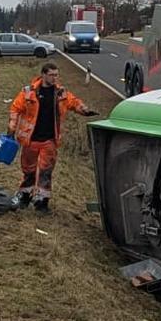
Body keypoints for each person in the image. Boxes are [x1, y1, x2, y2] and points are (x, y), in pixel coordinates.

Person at [7, 62, 99, 213]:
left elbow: (73, 102)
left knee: (46, 171)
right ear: (43, 75)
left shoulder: (60, 93)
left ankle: (42, 202)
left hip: (50, 140)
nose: (55, 78)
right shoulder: (28, 92)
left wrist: (84, 110)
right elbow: (15, 109)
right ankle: (25, 196)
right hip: (31, 139)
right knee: (28, 170)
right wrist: (11, 129)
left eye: (56, 75)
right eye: (52, 75)